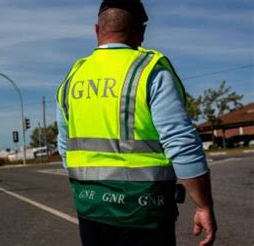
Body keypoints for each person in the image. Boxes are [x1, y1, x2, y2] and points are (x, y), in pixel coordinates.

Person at [56, 0, 217, 245]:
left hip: (90, 210)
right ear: (141, 32)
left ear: (97, 30)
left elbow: (65, 147)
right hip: (144, 213)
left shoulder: (73, 76)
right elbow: (180, 142)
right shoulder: (149, 70)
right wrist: (204, 205)